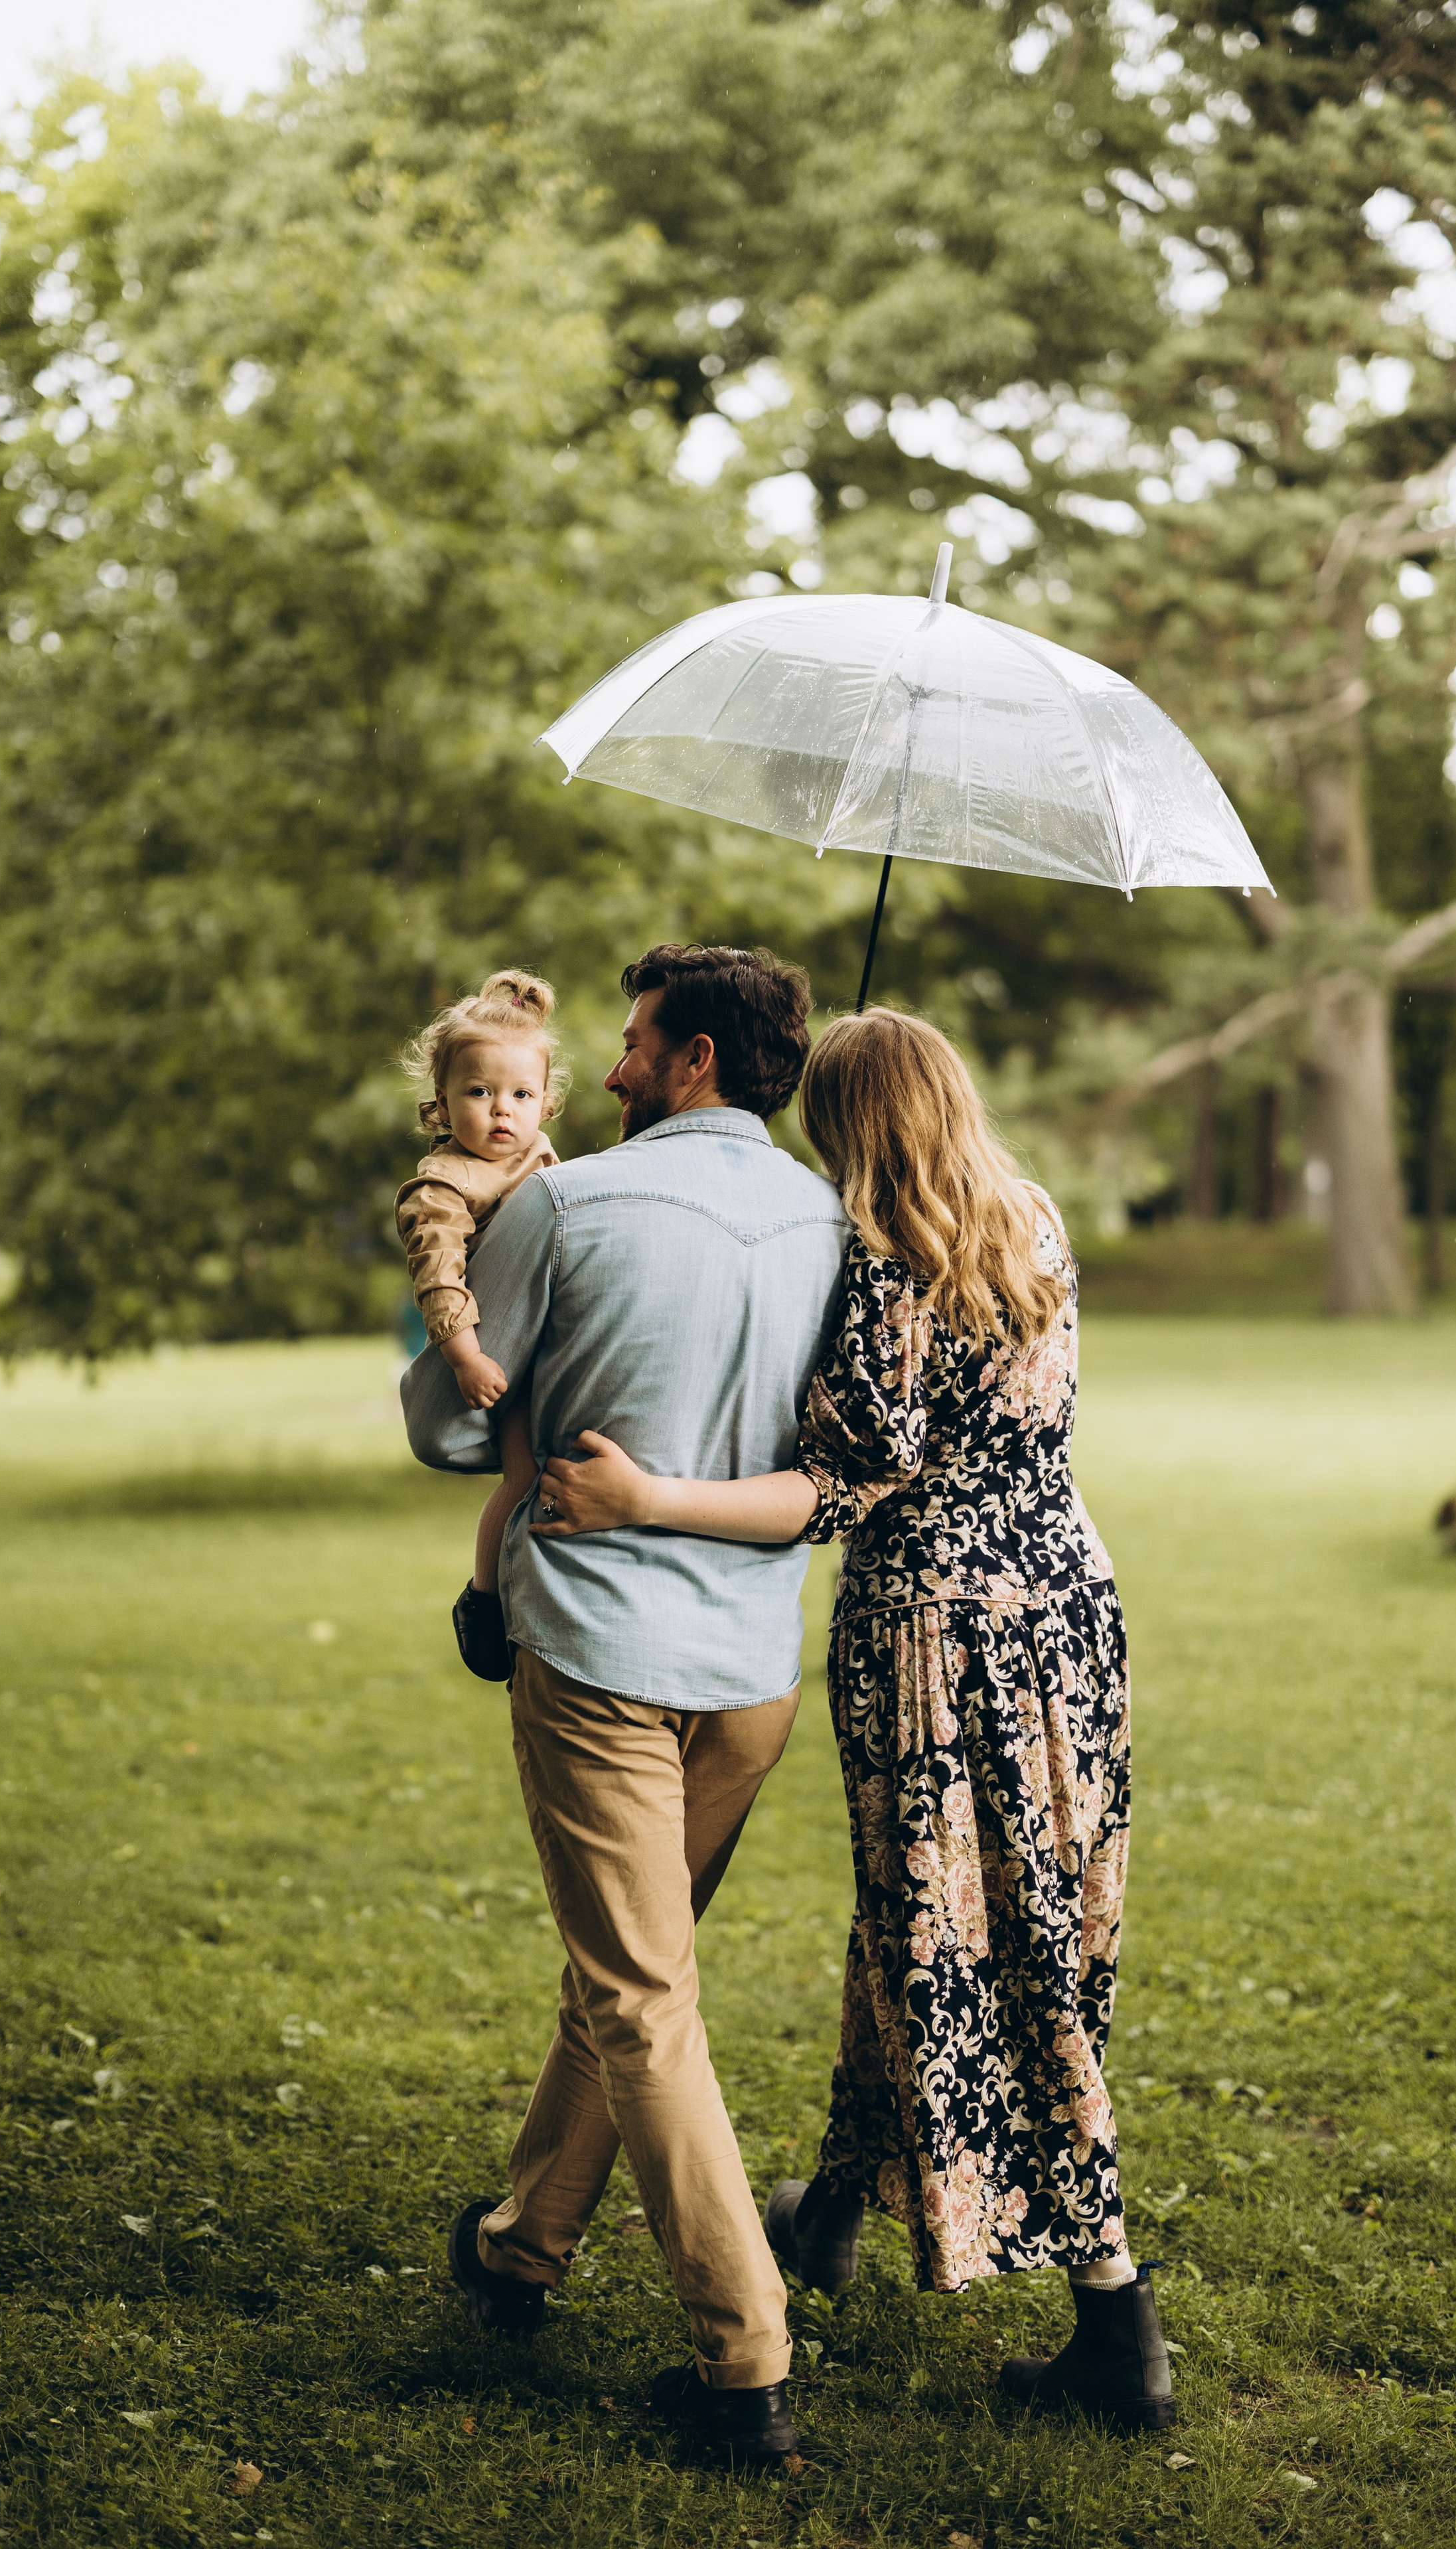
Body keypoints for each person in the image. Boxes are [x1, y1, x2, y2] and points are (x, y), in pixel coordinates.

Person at [532, 1006, 1175, 2435]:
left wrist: (650, 1498)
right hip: (1069, 1606)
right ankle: (830, 2210)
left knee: (984, 1953)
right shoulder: (1029, 1218)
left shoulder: (880, 1261)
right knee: (923, 1920)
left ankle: (1116, 2322)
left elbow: (842, 1483)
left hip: (937, 1640)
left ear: (845, 1123)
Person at [400, 944, 849, 2465]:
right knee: (630, 1971)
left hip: (598, 1657)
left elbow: (449, 1423)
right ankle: (524, 2238)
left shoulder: (565, 1202)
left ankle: (743, 2364)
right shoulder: (830, 1218)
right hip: (751, 1674)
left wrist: (492, 1381)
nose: (604, 1068)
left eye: (635, 1041)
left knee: (642, 1998)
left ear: (699, 1057)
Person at [394, 970, 566, 1680]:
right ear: (440, 1103)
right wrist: (465, 1357)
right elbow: (439, 1277)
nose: (503, 1111)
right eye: (479, 1092)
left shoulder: (547, 1159)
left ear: (546, 1102)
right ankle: (487, 1599)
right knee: (523, 1477)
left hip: (562, 1343)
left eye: (521, 1095)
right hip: (502, 1356)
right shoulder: (444, 1182)